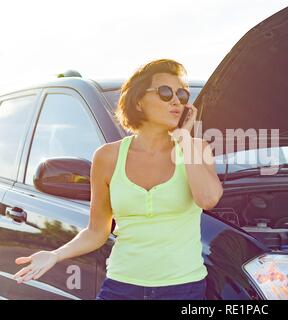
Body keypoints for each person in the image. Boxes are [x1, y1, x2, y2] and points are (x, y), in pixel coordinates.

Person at [13, 59, 223, 300]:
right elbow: (96, 231)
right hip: (122, 287)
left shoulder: (197, 148)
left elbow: (208, 199)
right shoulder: (108, 157)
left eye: (182, 95)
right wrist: (55, 255)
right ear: (139, 101)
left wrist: (184, 138)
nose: (176, 100)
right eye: (165, 92)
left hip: (183, 289)